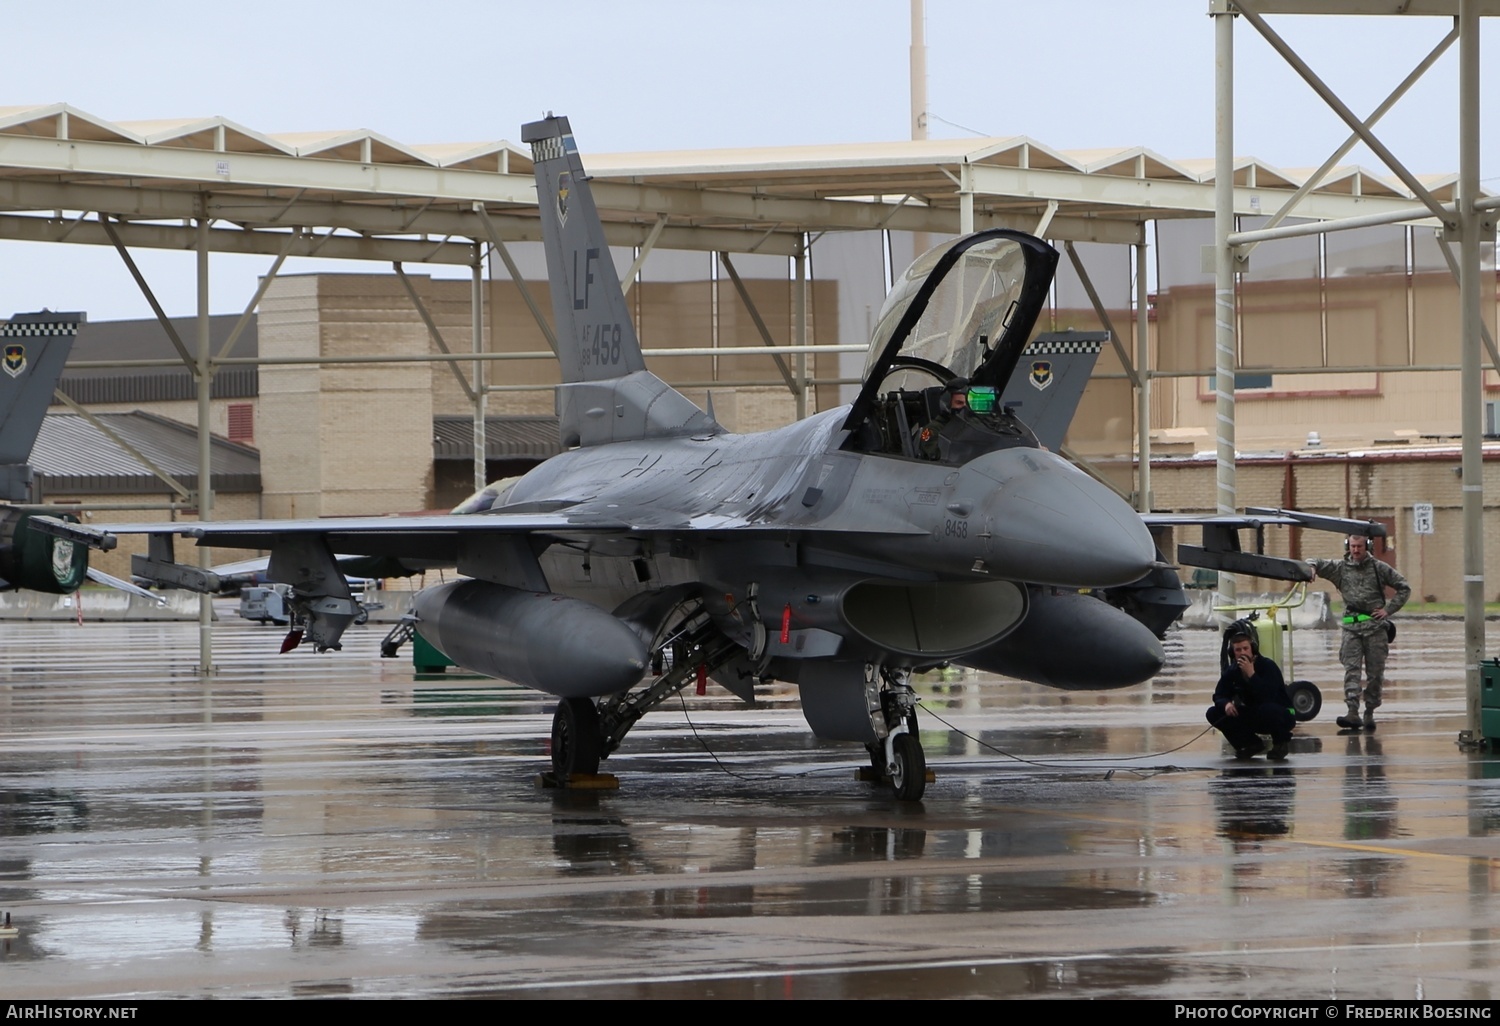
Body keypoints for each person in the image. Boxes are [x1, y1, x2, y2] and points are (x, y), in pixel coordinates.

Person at [1309, 535, 1411, 732]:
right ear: (1348, 546)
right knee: (1351, 670)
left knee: (1375, 674)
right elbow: (1315, 562)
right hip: (1351, 628)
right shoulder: (1340, 568)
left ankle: (1370, 711)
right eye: (1353, 546)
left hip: (1375, 628)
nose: (1356, 550)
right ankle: (1352, 711)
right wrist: (1312, 568)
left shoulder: (1378, 568)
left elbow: (1403, 587)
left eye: (1360, 546)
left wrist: (1388, 611)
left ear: (1368, 546)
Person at [1207, 632, 1295, 761]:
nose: (1242, 652)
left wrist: (1252, 674)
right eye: (1238, 650)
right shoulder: (1233, 671)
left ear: (1252, 649)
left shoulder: (1267, 666)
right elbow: (1219, 694)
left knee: (1268, 709)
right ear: (1233, 653)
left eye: (1245, 648)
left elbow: (1268, 695)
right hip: (1255, 713)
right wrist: (1226, 704)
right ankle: (1250, 744)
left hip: (1280, 713)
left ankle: (1280, 744)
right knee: (1214, 713)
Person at [914, 378, 969, 460]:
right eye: (959, 403)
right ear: (947, 404)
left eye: (968, 403)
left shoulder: (974, 426)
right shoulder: (931, 429)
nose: (964, 407)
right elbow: (936, 455)